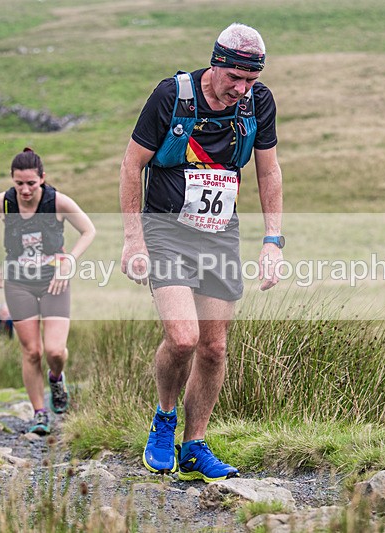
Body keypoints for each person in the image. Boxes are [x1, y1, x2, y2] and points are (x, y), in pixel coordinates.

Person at [119, 23, 284, 482]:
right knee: (184, 337)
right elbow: (133, 164)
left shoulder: (258, 103)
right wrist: (133, 239)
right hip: (166, 230)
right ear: (216, 63)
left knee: (214, 348)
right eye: (235, 78)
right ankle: (164, 419)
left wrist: (272, 240)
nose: (241, 89)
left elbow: (268, 173)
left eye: (250, 81)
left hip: (219, 233)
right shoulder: (171, 96)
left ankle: (194, 446)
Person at [0, 147, 96, 435]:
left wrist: (69, 261)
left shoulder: (57, 202)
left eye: (31, 183)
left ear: (43, 179)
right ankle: (40, 413)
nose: (24, 190)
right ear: (12, 180)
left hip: (54, 282)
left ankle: (56, 378)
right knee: (31, 351)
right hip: (18, 282)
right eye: (18, 183)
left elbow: (89, 230)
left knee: (54, 351)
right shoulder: (2, 203)